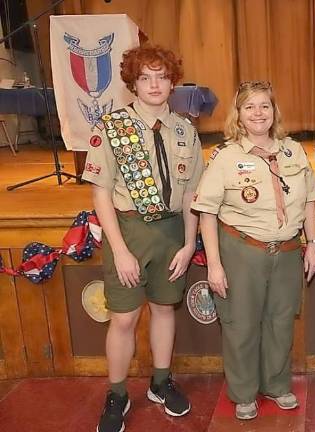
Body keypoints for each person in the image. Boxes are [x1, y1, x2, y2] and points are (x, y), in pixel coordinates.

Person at [82, 45, 204, 432]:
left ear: (172, 82)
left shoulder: (186, 130)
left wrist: (188, 244)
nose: (154, 84)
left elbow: (190, 196)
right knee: (123, 317)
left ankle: (160, 381)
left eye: (162, 76)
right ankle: (117, 393)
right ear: (132, 84)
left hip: (172, 232)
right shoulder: (111, 128)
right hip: (129, 231)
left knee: (165, 308)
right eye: (145, 77)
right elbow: (100, 192)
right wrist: (119, 251)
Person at [191, 80, 315, 420]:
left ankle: (277, 385)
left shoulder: (293, 151)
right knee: (242, 324)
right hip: (243, 251)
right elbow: (206, 212)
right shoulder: (225, 157)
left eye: (264, 105)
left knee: (280, 322)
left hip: (289, 250)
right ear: (239, 114)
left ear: (274, 111)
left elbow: (309, 200)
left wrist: (312, 245)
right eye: (249, 107)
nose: (258, 113)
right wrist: (214, 266)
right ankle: (244, 391)